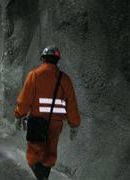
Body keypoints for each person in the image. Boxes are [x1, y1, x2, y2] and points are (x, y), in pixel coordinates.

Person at [14, 45, 81, 180]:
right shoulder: (65, 79)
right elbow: (71, 103)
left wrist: (19, 115)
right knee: (50, 154)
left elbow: (25, 99)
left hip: (37, 122)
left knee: (33, 155)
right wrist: (74, 124)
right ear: (57, 60)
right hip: (56, 124)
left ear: (43, 59)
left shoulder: (34, 75)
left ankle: (41, 177)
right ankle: (44, 176)